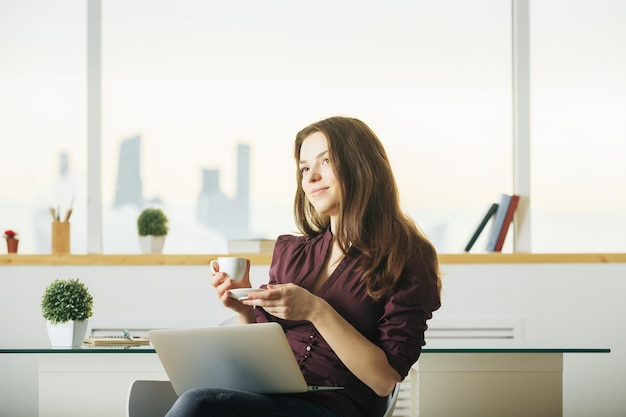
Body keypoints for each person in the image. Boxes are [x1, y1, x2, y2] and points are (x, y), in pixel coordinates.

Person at [165, 116, 442, 417]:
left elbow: (384, 379)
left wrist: (316, 310)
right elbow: (263, 364)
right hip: (270, 402)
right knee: (194, 399)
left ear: (361, 165)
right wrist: (244, 307)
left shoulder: (408, 256)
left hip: (337, 410)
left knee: (199, 404)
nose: (311, 177)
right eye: (305, 168)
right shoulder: (291, 251)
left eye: (325, 161)